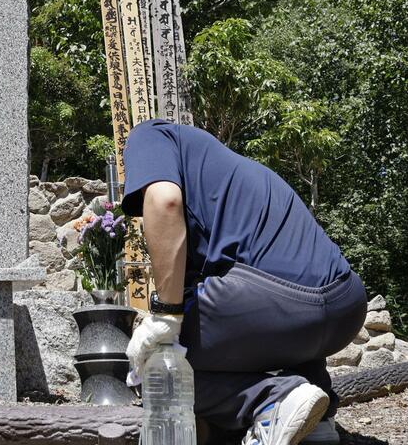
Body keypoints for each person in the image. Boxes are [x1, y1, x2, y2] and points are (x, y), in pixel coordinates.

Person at [122, 119, 366, 445]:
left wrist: (165, 315)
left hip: (274, 304)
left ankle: (272, 400)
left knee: (157, 363)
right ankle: (317, 423)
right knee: (276, 303)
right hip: (346, 305)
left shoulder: (151, 134)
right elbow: (301, 272)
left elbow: (164, 201)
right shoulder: (239, 183)